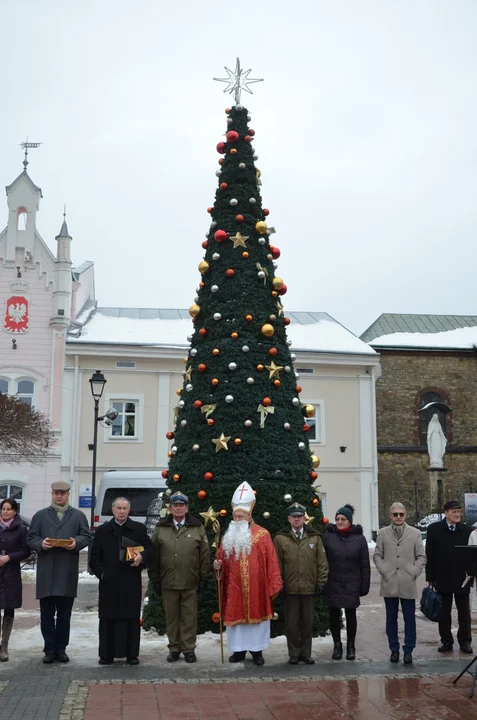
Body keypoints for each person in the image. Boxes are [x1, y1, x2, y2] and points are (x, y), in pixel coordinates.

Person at [213, 481, 282, 666]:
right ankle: (238, 651)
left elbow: (272, 562)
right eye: (235, 516)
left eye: (241, 516)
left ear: (249, 515)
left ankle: (257, 651)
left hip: (257, 588)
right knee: (237, 623)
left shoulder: (263, 535)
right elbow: (221, 559)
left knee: (256, 622)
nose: (238, 519)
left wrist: (271, 584)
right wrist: (217, 565)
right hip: (234, 588)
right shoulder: (228, 537)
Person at [27, 481, 91, 663]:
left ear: (68, 494)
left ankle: (61, 649)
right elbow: (31, 537)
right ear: (52, 494)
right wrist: (41, 544)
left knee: (64, 615)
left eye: (62, 493)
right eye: (56, 493)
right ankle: (49, 649)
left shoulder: (78, 516)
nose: (59, 496)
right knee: (46, 615)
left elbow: (86, 536)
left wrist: (76, 543)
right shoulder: (40, 516)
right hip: (47, 572)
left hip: (67, 572)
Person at [90, 496, 155, 665]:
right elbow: (94, 558)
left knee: (130, 617)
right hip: (109, 581)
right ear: (113, 510)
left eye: (125, 508)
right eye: (118, 508)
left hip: (130, 580)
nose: (121, 511)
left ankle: (131, 654)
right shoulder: (103, 530)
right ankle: (106, 654)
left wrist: (142, 557)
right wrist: (102, 574)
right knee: (107, 618)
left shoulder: (138, 529)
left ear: (129, 510)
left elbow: (151, 549)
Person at [148, 491, 211, 663]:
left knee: (189, 617)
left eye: (181, 506)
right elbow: (153, 554)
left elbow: (205, 554)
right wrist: (155, 579)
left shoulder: (197, 527)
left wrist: (205, 577)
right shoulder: (161, 528)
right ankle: (174, 648)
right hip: (168, 581)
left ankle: (188, 648)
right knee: (172, 617)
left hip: (190, 581)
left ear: (186, 508)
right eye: (175, 505)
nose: (178, 508)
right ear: (170, 508)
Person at [274, 502, 328, 665]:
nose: (297, 520)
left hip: (309, 588)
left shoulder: (315, 538)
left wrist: (321, 581)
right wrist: (279, 584)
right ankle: (294, 653)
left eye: (300, 517)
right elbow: (276, 564)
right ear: (289, 519)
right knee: (291, 624)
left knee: (307, 622)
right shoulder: (280, 538)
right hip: (290, 589)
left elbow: (322, 562)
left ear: (304, 518)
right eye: (294, 517)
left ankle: (306, 653)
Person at [374, 502, 426, 665]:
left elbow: (421, 556)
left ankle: (408, 650)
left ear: (405, 515)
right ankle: (394, 649)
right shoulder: (383, 533)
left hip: (407, 581)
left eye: (401, 514)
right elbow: (377, 555)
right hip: (389, 581)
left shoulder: (415, 533)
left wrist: (413, 571)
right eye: (395, 514)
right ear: (390, 515)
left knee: (409, 619)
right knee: (391, 618)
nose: (398, 517)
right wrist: (384, 570)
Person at [322, 503, 370, 661]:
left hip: (352, 582)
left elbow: (364, 564)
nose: (340, 521)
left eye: (343, 519)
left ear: (349, 521)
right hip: (333, 582)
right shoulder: (328, 537)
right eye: (337, 519)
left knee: (351, 614)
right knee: (334, 614)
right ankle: (337, 645)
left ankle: (351, 645)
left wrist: (364, 585)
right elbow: (322, 561)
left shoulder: (359, 538)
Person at [426, 499, 472, 653]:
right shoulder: (434, 529)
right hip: (442, 577)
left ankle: (465, 641)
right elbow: (430, 555)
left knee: (464, 612)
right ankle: (446, 641)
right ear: (446, 513)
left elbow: (472, 554)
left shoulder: (466, 530)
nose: (457, 514)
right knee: (444, 612)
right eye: (454, 512)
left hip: (462, 578)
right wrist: (430, 577)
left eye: (459, 512)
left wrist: (471, 572)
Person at [0, 498, 30, 661]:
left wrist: (9, 557)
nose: (5, 512)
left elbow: (26, 551)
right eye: (3, 509)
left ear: (15, 511)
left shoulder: (21, 529)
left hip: (11, 573)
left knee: (9, 607)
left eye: (8, 509)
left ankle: (4, 646)